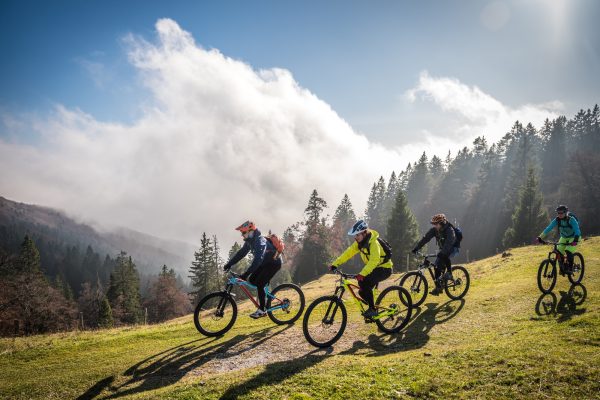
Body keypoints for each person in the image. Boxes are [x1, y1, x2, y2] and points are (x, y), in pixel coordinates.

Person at [329, 220, 393, 319]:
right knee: (362, 291)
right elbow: (348, 253)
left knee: (365, 282)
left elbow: (374, 261)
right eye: (355, 236)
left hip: (384, 269)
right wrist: (335, 264)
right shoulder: (359, 243)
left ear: (364, 233)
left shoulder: (374, 243)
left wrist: (362, 274)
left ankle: (372, 310)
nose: (355, 238)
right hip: (374, 268)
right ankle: (373, 307)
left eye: (357, 235)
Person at [223, 220, 282, 319]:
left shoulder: (260, 241)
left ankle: (262, 310)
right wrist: (229, 264)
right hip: (265, 263)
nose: (242, 235)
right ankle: (266, 296)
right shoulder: (250, 242)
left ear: (250, 232)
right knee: (253, 280)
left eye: (243, 233)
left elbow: (258, 259)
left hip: (273, 264)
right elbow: (241, 253)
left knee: (259, 283)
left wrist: (246, 273)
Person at [412, 213, 458, 295]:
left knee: (444, 256)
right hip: (443, 248)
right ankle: (439, 287)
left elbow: (449, 242)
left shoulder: (449, 230)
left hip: (452, 247)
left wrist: (443, 252)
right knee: (437, 266)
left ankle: (449, 273)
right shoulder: (434, 230)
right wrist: (417, 247)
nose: (434, 226)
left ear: (442, 223)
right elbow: (426, 238)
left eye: (436, 224)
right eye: (433, 224)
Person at [537, 205, 581, 275]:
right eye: (558, 213)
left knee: (568, 250)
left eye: (561, 213)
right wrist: (540, 237)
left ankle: (570, 268)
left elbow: (577, 230)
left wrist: (575, 240)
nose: (559, 215)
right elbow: (549, 228)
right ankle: (563, 268)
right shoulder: (557, 220)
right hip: (564, 237)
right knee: (559, 252)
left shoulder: (571, 219)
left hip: (574, 237)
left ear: (565, 212)